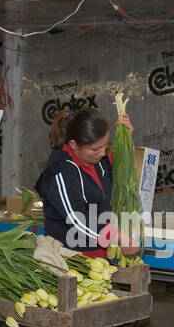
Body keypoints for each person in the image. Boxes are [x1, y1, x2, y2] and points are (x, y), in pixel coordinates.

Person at [34, 107, 138, 259]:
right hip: (72, 258)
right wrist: (118, 237)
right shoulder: (60, 171)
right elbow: (77, 219)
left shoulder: (97, 161)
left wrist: (125, 140)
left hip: (99, 258)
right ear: (74, 144)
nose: (102, 153)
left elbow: (112, 170)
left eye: (105, 145)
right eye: (95, 149)